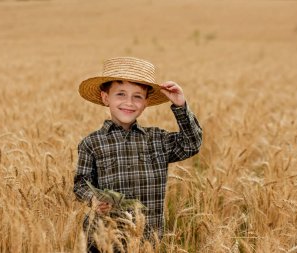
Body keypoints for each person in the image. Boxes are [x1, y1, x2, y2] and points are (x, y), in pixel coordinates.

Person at [73, 56, 202, 251]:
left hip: (148, 240)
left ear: (145, 103)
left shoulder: (157, 140)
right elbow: (81, 182)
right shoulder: (92, 143)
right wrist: (94, 199)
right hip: (105, 240)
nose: (129, 102)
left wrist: (180, 106)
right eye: (121, 94)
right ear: (106, 98)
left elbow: (191, 144)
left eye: (137, 96)